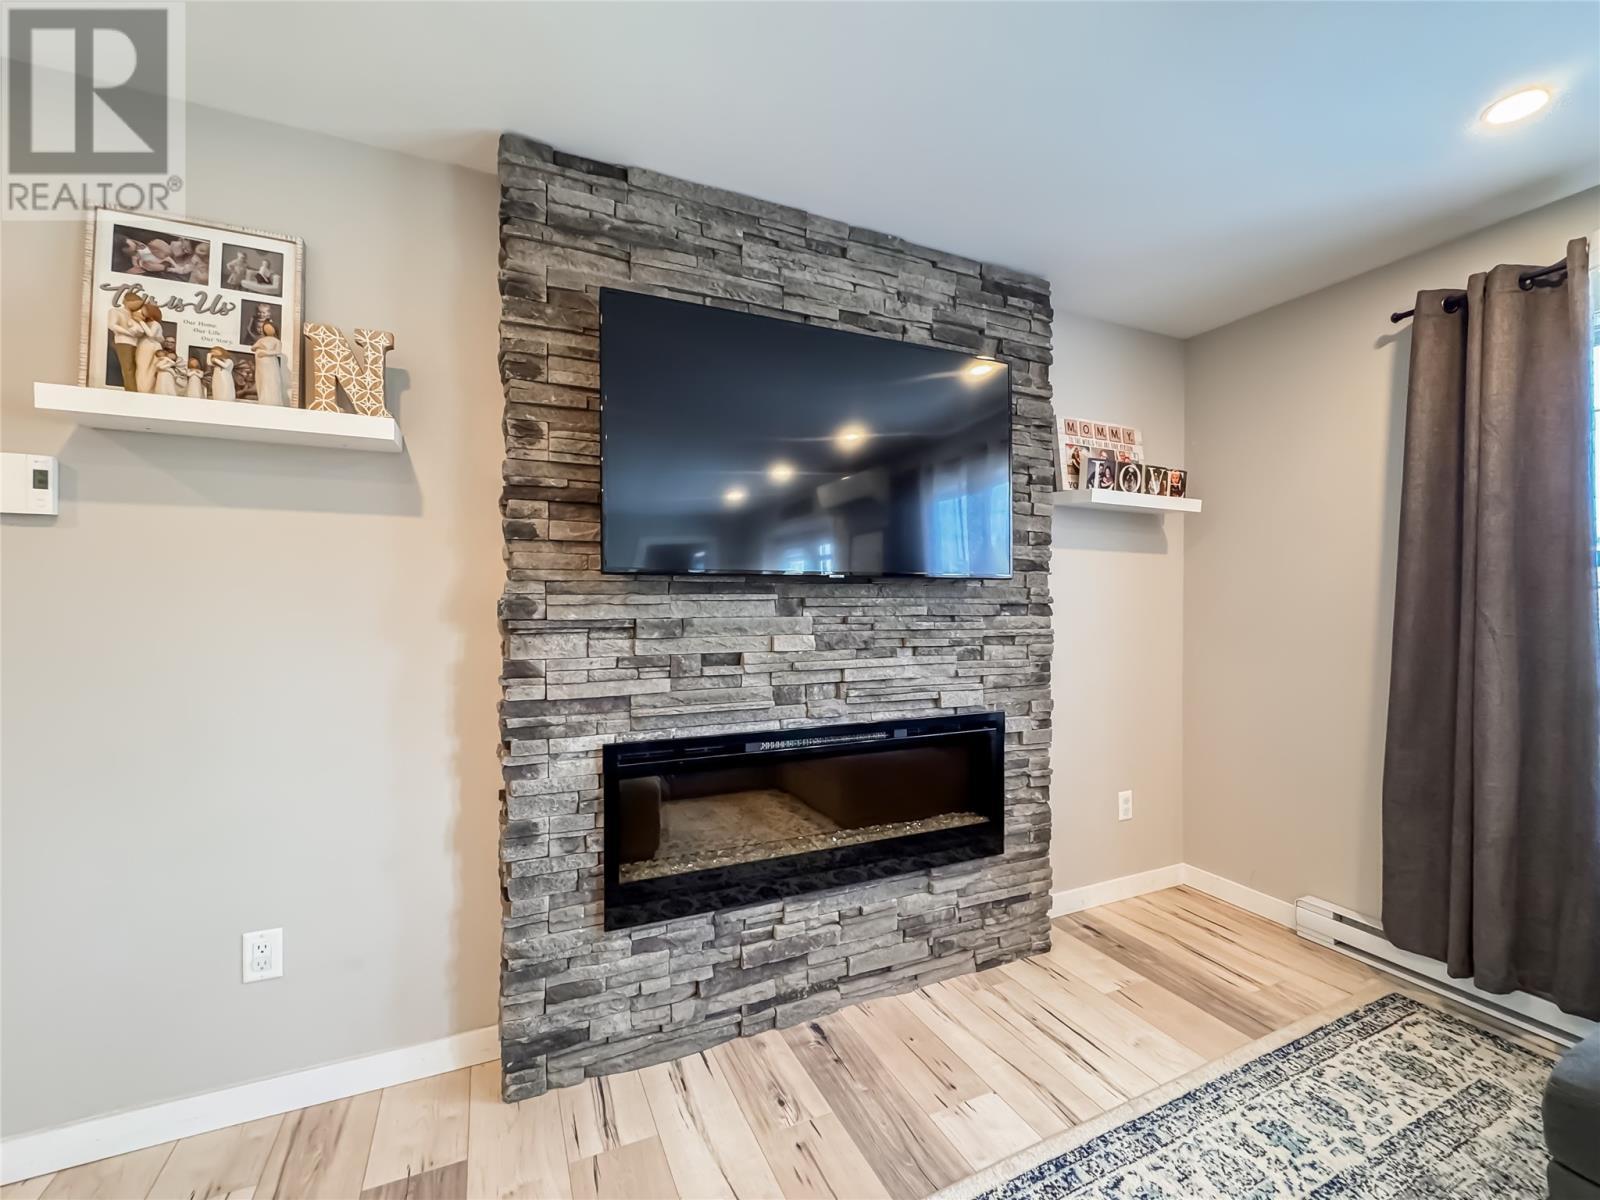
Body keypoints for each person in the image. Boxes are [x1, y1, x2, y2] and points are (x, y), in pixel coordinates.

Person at [107, 291, 145, 390]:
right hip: (123, 341)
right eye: (134, 303)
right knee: (127, 367)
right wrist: (128, 332)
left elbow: (140, 330)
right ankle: (131, 390)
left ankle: (136, 388)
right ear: (126, 301)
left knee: (135, 368)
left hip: (135, 343)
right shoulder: (116, 311)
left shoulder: (134, 315)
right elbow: (112, 325)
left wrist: (138, 332)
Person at [252, 322, 287, 406]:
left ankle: (272, 400)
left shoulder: (276, 341)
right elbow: (253, 348)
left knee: (271, 381)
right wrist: (259, 346)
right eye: (266, 328)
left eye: (270, 328)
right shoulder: (261, 340)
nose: (268, 330)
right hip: (260, 366)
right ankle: (263, 399)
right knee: (262, 381)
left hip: (270, 365)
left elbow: (278, 352)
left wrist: (265, 353)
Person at [133, 302, 164, 393]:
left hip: (151, 347)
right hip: (143, 347)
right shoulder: (146, 323)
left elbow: (151, 334)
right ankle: (140, 388)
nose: (142, 312)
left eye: (145, 310)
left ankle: (147, 390)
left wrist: (141, 322)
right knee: (141, 368)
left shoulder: (155, 324)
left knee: (150, 370)